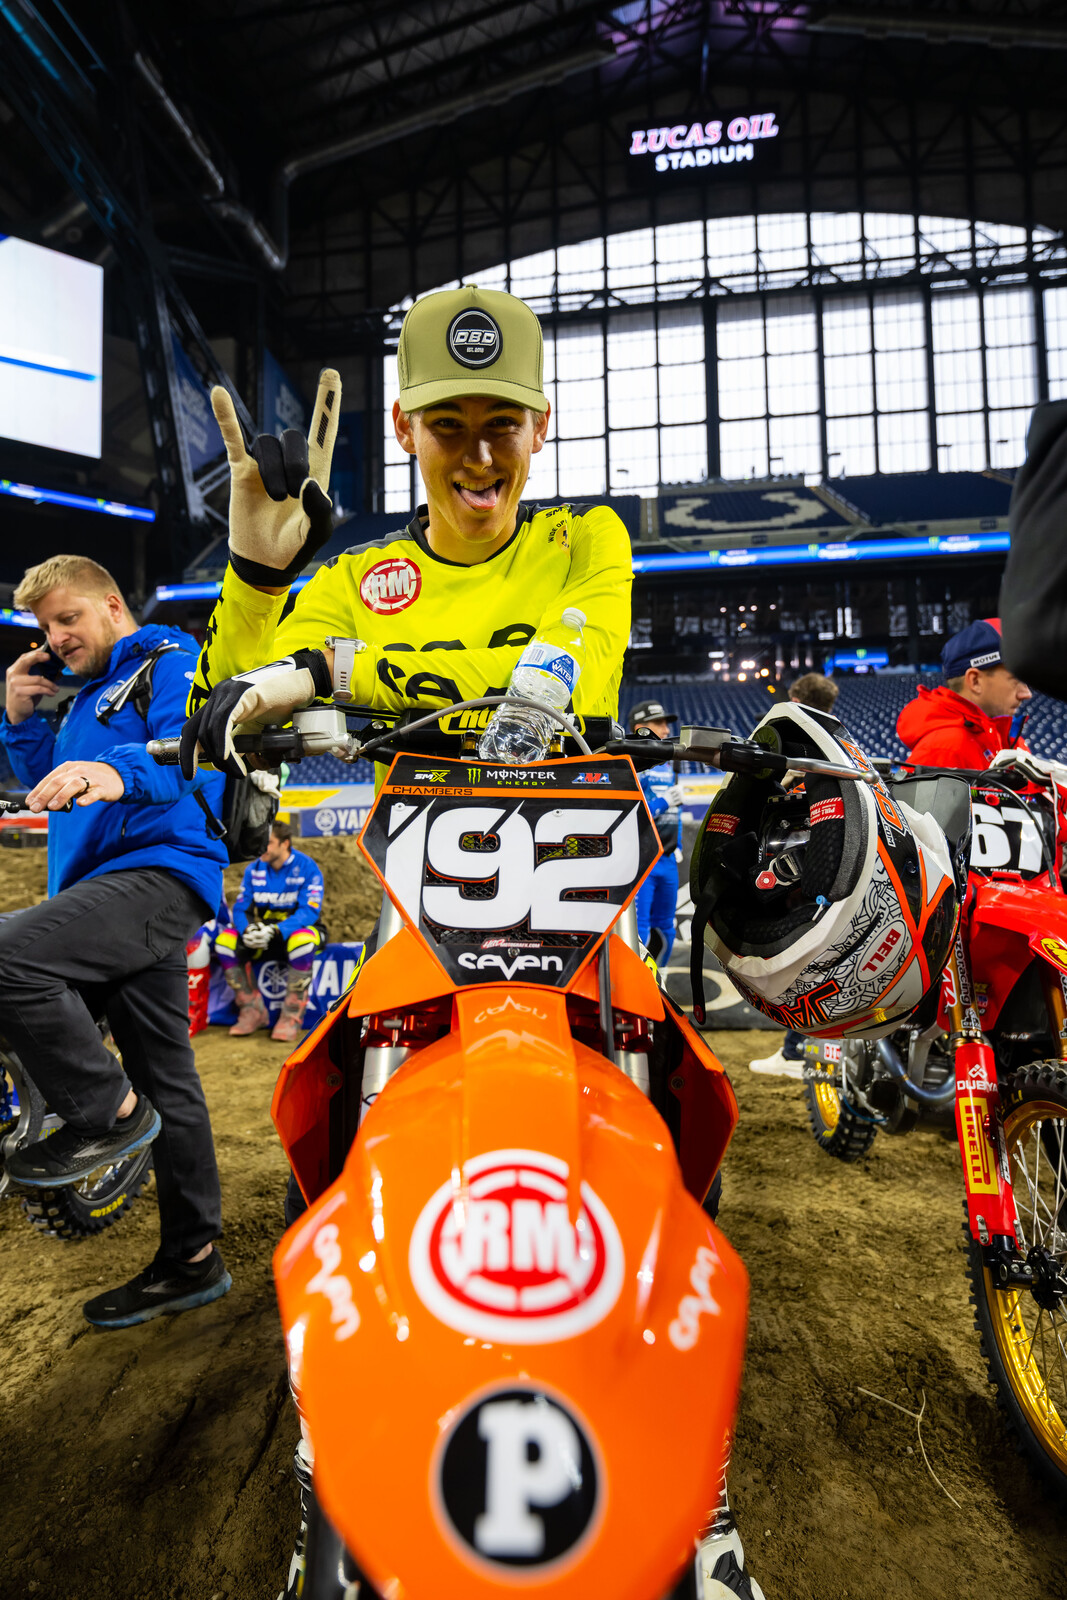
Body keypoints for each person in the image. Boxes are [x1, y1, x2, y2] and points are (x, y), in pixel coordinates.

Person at [178, 286, 763, 1600]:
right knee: (324, 1108)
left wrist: (526, 694)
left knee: (679, 1097)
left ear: (539, 426)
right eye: (452, 423)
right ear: (405, 427)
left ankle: (701, 1484)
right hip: (415, 917)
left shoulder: (580, 544)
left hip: (577, 908)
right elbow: (249, 680)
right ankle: (331, 1468)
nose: (480, 452)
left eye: (502, 422)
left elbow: (578, 656)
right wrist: (263, 578)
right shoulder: (357, 579)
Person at [0, 555, 230, 1328]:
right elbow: (53, 789)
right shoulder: (86, 699)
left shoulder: (173, 660)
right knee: (170, 1081)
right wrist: (23, 722)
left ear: (110, 604)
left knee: (6, 956)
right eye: (45, 629)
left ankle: (107, 1114)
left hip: (157, 875)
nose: (56, 638)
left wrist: (113, 767)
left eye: (68, 619)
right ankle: (193, 1261)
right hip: (103, 892)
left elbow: (187, 755)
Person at [750, 671, 840, 1078]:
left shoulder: (795, 744)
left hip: (800, 866)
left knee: (804, 965)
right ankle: (813, 1051)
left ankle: (793, 1052)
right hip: (837, 865)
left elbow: (775, 795)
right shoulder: (841, 744)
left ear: (794, 698)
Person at [216, 820, 324, 1042]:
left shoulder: (307, 867)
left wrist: (276, 930)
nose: (262, 848)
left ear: (285, 844)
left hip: (300, 932)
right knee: (225, 942)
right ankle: (251, 1010)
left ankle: (291, 1017)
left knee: (302, 940)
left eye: (269, 843)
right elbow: (241, 907)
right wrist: (247, 930)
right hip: (264, 933)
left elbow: (309, 912)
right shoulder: (254, 868)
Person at [896, 618, 1031, 769]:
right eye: (1016, 680)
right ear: (975, 681)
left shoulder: (1002, 735)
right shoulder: (944, 749)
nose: (1026, 694)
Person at [630, 699, 683, 965]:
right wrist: (664, 803)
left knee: (666, 925)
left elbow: (677, 813)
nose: (665, 729)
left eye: (665, 724)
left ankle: (659, 978)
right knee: (639, 929)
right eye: (659, 723)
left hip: (669, 859)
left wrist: (679, 843)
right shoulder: (632, 766)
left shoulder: (670, 763)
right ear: (641, 728)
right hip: (643, 857)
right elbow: (632, 813)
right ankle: (640, 986)